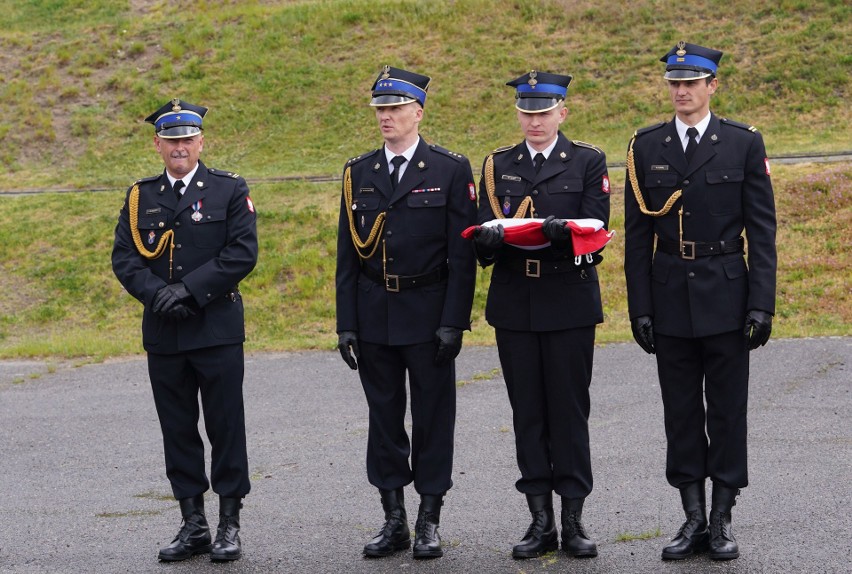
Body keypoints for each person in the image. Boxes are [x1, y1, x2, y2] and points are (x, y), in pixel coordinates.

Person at [623, 42, 777, 561]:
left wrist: (763, 302)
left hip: (728, 293)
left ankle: (722, 517)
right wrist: (639, 307)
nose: (681, 90)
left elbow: (762, 228)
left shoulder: (741, 143)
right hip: (668, 295)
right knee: (681, 411)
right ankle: (691, 517)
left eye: (692, 82)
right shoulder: (646, 147)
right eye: (674, 82)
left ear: (713, 85)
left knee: (728, 411)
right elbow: (636, 236)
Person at [335, 65, 477, 559]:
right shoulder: (359, 172)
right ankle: (393, 518)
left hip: (428, 310)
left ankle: (429, 518)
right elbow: (347, 256)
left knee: (435, 417)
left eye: (395, 108)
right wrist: (346, 323)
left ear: (418, 111)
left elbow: (463, 256)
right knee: (384, 417)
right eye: (380, 109)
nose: (386, 117)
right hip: (375, 313)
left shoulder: (449, 169)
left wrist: (454, 321)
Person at [470, 71, 610, 559]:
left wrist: (559, 234)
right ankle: (539, 522)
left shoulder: (588, 161)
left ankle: (573, 521)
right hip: (515, 302)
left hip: (568, 300)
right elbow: (489, 236)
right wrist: (486, 245)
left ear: (562, 113)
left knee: (568, 413)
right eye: (526, 112)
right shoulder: (496, 165)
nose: (534, 120)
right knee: (527, 412)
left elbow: (598, 231)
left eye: (544, 111)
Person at [111, 98, 258, 562]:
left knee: (225, 426)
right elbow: (125, 259)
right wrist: (158, 295)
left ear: (201, 141)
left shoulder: (229, 190)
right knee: (177, 429)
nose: (180, 147)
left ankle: (228, 524)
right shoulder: (141, 196)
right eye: (171, 140)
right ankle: (192, 522)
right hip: (165, 332)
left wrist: (189, 291)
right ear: (157, 144)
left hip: (214, 327)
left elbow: (241, 253)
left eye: (187, 138)